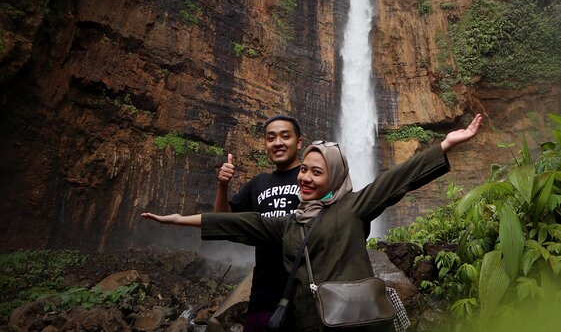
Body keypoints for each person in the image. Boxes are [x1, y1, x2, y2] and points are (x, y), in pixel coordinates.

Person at [142, 114, 483, 331]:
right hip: (307, 321)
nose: (305, 178)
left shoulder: (352, 207)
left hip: (357, 321)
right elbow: (242, 223)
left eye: (316, 172)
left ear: (333, 176)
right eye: (303, 170)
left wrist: (445, 145)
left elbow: (394, 181)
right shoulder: (290, 223)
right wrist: (176, 219)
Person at [214, 114, 303, 331]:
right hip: (263, 295)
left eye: (285, 136)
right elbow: (223, 221)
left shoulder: (310, 177)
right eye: (271, 138)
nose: (278, 142)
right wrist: (223, 186)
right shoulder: (259, 183)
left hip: (304, 294)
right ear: (265, 144)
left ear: (299, 142)